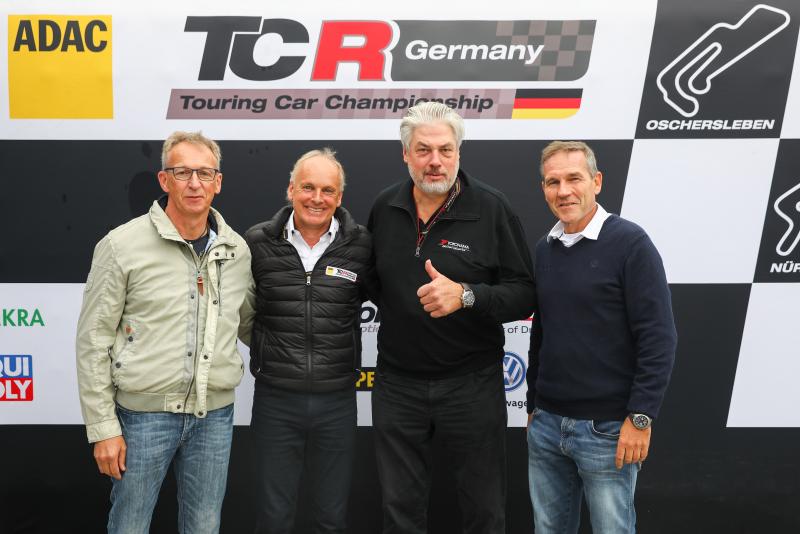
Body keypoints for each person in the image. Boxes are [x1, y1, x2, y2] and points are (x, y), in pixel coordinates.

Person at [368, 102, 536, 534]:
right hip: (397, 384)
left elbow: (524, 294)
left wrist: (467, 296)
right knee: (399, 509)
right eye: (423, 150)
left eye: (445, 149)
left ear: (459, 152)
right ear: (405, 154)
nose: (435, 161)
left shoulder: (492, 208)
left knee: (484, 509)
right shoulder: (385, 207)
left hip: (470, 384)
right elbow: (370, 284)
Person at [76, 131, 255, 534]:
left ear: (218, 182)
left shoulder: (237, 251)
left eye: (205, 173)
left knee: (204, 526)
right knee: (130, 526)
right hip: (143, 418)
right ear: (164, 179)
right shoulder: (121, 246)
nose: (194, 183)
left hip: (214, 417)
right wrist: (103, 429)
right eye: (182, 172)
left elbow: (250, 325)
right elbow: (93, 341)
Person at [526, 141, 678, 533]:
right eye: (553, 182)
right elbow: (542, 331)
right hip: (547, 424)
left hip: (608, 429)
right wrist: (532, 404)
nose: (563, 191)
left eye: (574, 178)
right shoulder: (545, 248)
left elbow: (659, 337)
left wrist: (640, 417)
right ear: (544, 189)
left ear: (596, 181)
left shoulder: (631, 244)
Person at [244, 148, 372, 534]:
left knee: (330, 519)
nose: (317, 198)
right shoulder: (257, 242)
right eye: (308, 187)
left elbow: (392, 301)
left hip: (337, 402)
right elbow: (240, 311)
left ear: (340, 197)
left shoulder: (362, 245)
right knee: (273, 517)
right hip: (276, 401)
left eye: (328, 190)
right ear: (291, 190)